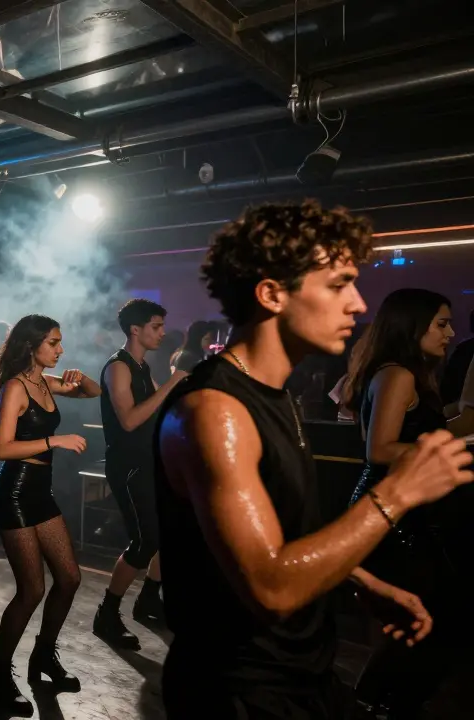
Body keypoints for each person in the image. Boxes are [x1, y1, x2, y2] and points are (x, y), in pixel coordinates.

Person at [156, 200, 474, 718]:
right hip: (240, 690)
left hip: (299, 677)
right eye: (337, 284)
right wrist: (399, 491)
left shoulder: (273, 395)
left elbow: (274, 532)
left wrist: (362, 579)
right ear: (271, 294)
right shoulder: (215, 411)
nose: (357, 303)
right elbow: (272, 586)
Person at [343, 288, 468, 715]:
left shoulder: (400, 372)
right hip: (393, 516)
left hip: (400, 510)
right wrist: (453, 443)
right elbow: (378, 450)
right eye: (441, 323)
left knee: (423, 623)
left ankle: (375, 704)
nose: (451, 332)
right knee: (429, 623)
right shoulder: (398, 374)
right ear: (412, 325)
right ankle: (377, 704)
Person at [0, 314, 99, 712]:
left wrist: (79, 378)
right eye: (54, 342)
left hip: (40, 493)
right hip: (13, 492)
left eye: (60, 342)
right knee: (31, 589)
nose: (61, 349)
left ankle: (44, 655)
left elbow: (93, 392)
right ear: (32, 345)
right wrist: (55, 440)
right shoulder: (16, 387)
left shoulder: (45, 383)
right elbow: (2, 448)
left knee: (69, 578)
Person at [93, 298, 188, 648]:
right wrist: (170, 386)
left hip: (149, 462)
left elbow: (150, 416)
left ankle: (149, 600)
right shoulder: (118, 367)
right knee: (145, 540)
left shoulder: (142, 366)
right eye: (156, 327)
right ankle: (107, 613)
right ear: (136, 329)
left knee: (166, 533)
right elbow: (130, 420)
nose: (162, 333)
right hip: (128, 466)